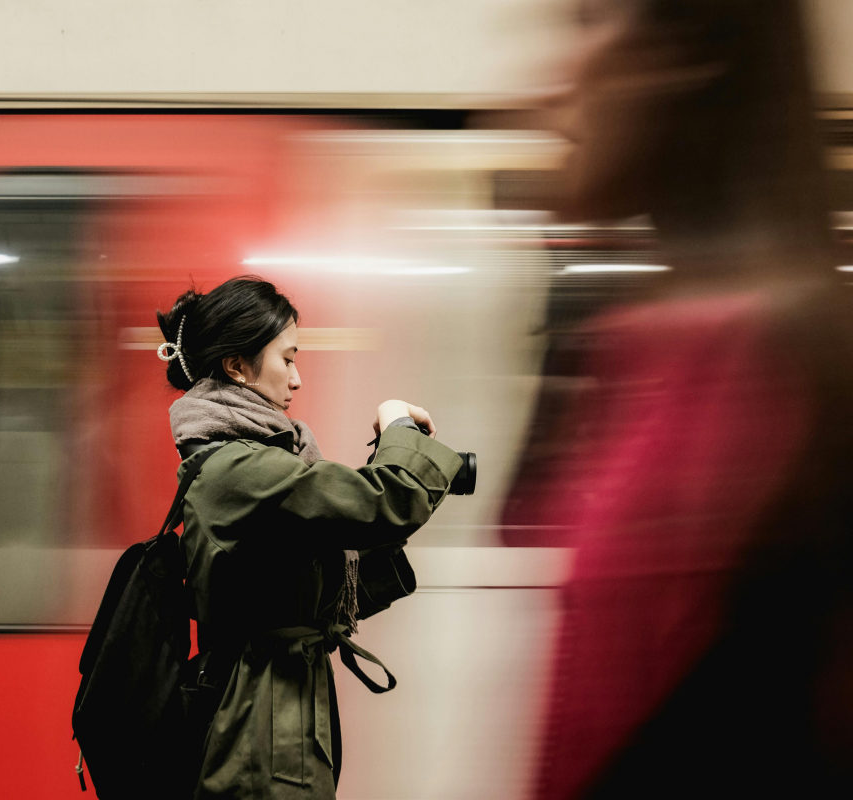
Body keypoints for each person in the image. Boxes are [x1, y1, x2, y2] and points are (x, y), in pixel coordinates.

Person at [505, 0, 853, 797]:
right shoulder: (646, 357)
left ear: (691, 52)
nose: (542, 89)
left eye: (589, 23)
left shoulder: (801, 376)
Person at [156, 276, 464, 799]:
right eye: (287, 359)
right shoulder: (237, 469)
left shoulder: (248, 461)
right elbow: (385, 502)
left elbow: (322, 572)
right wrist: (396, 428)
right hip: (262, 723)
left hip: (277, 710)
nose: (297, 380)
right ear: (236, 367)